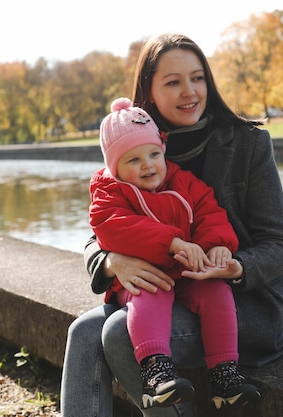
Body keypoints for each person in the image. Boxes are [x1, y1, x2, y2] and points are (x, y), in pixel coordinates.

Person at [60, 33, 283, 417]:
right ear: (148, 93)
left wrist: (236, 267)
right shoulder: (133, 146)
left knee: (117, 332)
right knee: (82, 332)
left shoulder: (248, 144)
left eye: (198, 77)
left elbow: (279, 245)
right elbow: (101, 225)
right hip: (167, 287)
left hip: (238, 301)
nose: (190, 91)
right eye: (173, 82)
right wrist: (110, 262)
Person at [88, 96, 260, 410]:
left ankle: (225, 375)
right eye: (133, 160)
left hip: (186, 271)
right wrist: (172, 243)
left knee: (216, 292)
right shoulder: (110, 192)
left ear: (163, 150)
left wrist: (218, 245)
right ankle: (157, 371)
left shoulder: (183, 182)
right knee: (151, 293)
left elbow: (210, 213)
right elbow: (111, 227)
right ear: (115, 167)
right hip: (146, 274)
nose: (148, 165)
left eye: (153, 154)